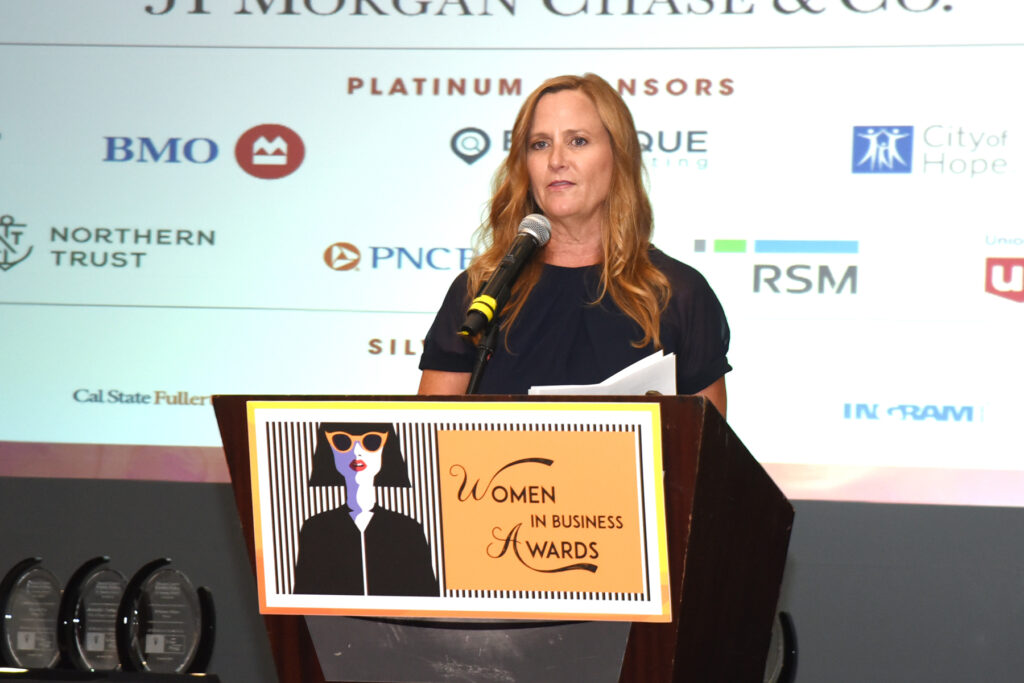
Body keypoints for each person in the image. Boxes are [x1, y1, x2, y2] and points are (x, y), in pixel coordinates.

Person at [418, 74, 730, 417]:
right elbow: (427, 437)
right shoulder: (482, 292)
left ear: (618, 155)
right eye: (539, 144)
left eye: (578, 141)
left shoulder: (678, 293)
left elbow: (707, 446)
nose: (556, 160)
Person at [293, 422, 439, 596]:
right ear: (329, 448)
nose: (356, 451)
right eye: (342, 441)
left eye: (371, 441)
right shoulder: (315, 528)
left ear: (385, 447)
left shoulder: (408, 529)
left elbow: (427, 597)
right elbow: (304, 598)